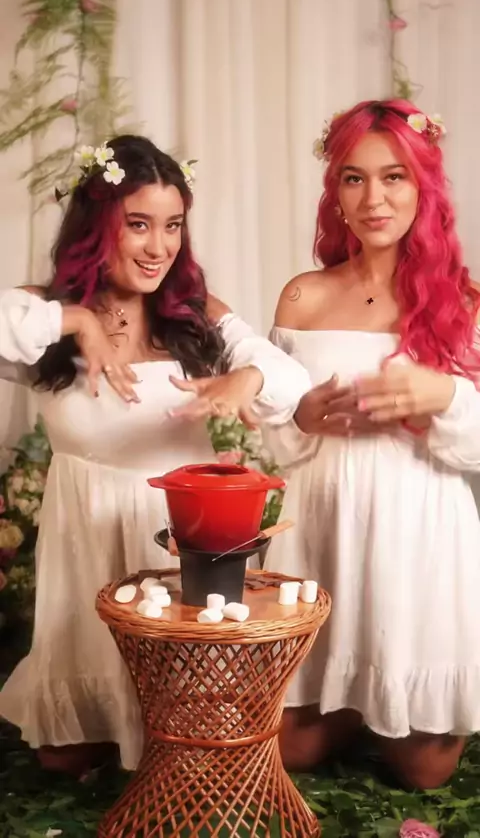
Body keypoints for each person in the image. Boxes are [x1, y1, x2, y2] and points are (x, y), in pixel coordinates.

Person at [0, 135, 311, 776]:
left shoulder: (195, 316)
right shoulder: (45, 314)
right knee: (64, 757)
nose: (158, 247)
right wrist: (78, 322)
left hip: (173, 547)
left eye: (172, 226)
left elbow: (289, 380)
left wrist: (246, 378)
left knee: (184, 750)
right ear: (97, 226)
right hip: (84, 547)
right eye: (138, 224)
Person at [262, 99, 480, 790]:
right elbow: (275, 433)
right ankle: (347, 693)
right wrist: (301, 416)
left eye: (394, 177)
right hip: (323, 529)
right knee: (289, 751)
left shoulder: (465, 303)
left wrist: (444, 397)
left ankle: (389, 691)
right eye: (354, 178)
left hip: (419, 535)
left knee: (425, 773)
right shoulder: (301, 298)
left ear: (424, 187)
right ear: (336, 192)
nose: (373, 198)